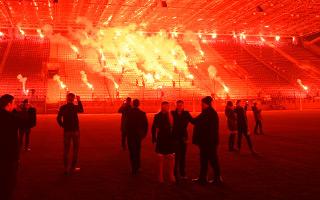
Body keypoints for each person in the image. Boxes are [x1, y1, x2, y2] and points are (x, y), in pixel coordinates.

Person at [192, 96, 222, 185]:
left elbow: (196, 121)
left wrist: (186, 116)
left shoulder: (209, 113)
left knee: (212, 159)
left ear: (206, 104)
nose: (201, 105)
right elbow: (197, 121)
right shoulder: (208, 112)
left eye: (202, 103)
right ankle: (203, 178)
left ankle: (217, 178)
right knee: (204, 159)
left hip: (209, 142)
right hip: (206, 141)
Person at [57, 93, 84, 175]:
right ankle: (73, 168)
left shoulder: (63, 107)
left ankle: (66, 168)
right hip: (75, 130)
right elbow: (81, 110)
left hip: (67, 131)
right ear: (73, 99)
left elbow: (58, 118)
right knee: (75, 150)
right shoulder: (75, 107)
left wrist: (63, 125)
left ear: (67, 98)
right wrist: (79, 100)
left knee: (66, 150)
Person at [0, 94, 21, 200]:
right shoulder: (11, 117)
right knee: (9, 182)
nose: (15, 105)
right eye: (14, 103)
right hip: (10, 155)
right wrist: (31, 111)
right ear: (9, 104)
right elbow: (29, 122)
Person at [152, 101, 175, 183]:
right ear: (162, 107)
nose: (166, 107)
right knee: (160, 158)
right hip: (161, 139)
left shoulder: (171, 115)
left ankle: (171, 175)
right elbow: (154, 127)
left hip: (169, 139)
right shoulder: (157, 116)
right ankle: (160, 176)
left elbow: (173, 125)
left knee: (171, 157)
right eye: (165, 106)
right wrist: (154, 138)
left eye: (168, 106)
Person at [123, 99, 148, 175]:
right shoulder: (142, 113)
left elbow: (125, 124)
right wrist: (143, 134)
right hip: (138, 135)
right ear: (139, 104)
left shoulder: (128, 113)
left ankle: (134, 167)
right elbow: (145, 125)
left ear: (133, 104)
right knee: (137, 151)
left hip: (130, 135)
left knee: (132, 152)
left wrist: (125, 134)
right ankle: (138, 166)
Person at [171, 100, 193, 181]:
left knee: (183, 156)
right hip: (175, 137)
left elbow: (193, 121)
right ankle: (174, 174)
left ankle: (182, 173)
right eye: (178, 105)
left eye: (181, 105)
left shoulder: (186, 113)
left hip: (183, 137)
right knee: (175, 157)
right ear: (176, 105)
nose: (179, 106)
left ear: (183, 106)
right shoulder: (172, 113)